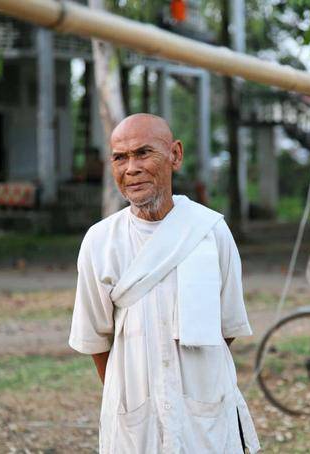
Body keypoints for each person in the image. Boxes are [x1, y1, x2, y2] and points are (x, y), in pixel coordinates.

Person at [68, 113, 260, 453]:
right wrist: (132, 388)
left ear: (175, 155)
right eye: (120, 158)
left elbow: (227, 325)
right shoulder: (100, 242)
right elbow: (96, 338)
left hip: (205, 414)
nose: (131, 168)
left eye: (143, 153)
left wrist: (191, 375)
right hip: (134, 420)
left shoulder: (210, 230)